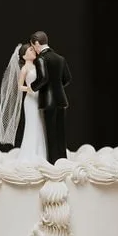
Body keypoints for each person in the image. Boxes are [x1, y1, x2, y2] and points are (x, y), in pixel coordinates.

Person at [29, 30, 71, 161]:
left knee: (51, 135)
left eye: (33, 46)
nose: (34, 49)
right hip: (61, 100)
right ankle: (63, 160)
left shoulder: (41, 59)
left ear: (37, 43)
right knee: (60, 134)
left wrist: (32, 87)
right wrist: (57, 87)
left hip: (48, 101)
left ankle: (53, 162)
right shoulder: (60, 58)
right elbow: (67, 78)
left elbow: (43, 78)